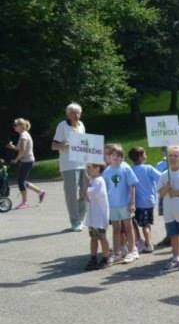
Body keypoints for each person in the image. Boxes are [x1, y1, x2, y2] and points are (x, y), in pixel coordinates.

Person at [51, 103, 87, 231]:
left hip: (83, 164)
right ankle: (75, 222)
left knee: (85, 192)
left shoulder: (81, 125)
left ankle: (81, 219)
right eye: (72, 113)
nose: (75, 115)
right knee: (71, 194)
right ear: (68, 114)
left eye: (77, 113)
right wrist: (66, 146)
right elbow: (54, 146)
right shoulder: (62, 125)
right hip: (69, 165)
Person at [102, 144, 139, 264]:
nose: (116, 157)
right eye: (113, 155)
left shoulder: (126, 168)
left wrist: (132, 203)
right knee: (116, 229)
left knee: (128, 227)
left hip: (125, 204)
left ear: (122, 157)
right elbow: (104, 189)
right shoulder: (107, 171)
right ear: (109, 157)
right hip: (113, 205)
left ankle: (132, 251)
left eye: (119, 155)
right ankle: (117, 252)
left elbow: (132, 186)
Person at [128, 147, 162, 254]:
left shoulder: (130, 170)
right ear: (141, 157)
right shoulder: (148, 168)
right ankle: (148, 243)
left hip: (135, 202)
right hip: (148, 202)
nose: (146, 156)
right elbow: (161, 178)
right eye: (144, 154)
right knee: (146, 225)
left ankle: (139, 240)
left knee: (134, 221)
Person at [8, 118, 44, 208]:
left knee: (21, 182)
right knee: (22, 181)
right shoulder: (23, 135)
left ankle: (25, 202)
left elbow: (23, 150)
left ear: (21, 126)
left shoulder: (23, 135)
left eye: (15, 125)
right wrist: (12, 146)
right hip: (26, 161)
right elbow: (19, 148)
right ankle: (40, 192)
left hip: (27, 161)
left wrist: (16, 159)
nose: (14, 127)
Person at [84, 162, 111, 270]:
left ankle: (106, 257)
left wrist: (84, 187)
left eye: (89, 167)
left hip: (99, 216)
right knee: (93, 237)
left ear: (98, 168)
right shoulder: (92, 180)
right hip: (93, 216)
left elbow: (88, 193)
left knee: (102, 237)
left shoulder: (99, 181)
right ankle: (93, 257)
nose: (87, 170)